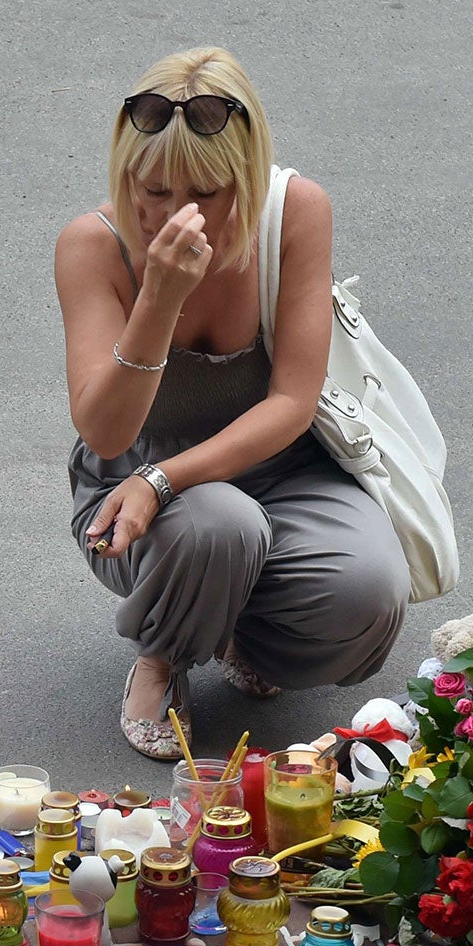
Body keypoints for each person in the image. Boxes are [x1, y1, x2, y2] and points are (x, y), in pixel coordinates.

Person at [53, 46, 409, 760]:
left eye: (204, 192)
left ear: (245, 179)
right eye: (148, 188)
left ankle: (241, 632)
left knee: (370, 591)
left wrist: (168, 482)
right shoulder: (91, 245)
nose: (169, 213)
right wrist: (159, 295)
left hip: (283, 467)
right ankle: (161, 657)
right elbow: (104, 425)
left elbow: (292, 402)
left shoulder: (296, 214)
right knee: (219, 523)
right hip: (131, 490)